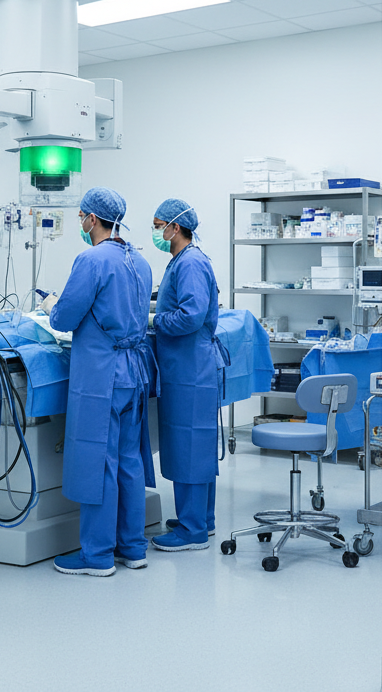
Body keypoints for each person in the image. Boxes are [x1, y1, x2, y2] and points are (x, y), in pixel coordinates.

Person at [41, 187, 155, 576]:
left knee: (98, 460)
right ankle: (133, 547)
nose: (80, 222)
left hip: (101, 375)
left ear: (92, 219)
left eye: (80, 216)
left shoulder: (91, 259)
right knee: (128, 461)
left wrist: (50, 305)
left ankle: (97, 554)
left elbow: (64, 319)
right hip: (134, 374)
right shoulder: (139, 261)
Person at [146, 199, 224, 552]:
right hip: (191, 365)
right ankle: (201, 520)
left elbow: (190, 316)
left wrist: (154, 321)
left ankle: (192, 529)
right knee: (197, 443)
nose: (156, 232)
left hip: (189, 367)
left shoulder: (190, 262)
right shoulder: (183, 260)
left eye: (158, 224)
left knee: (189, 445)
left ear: (175, 228)